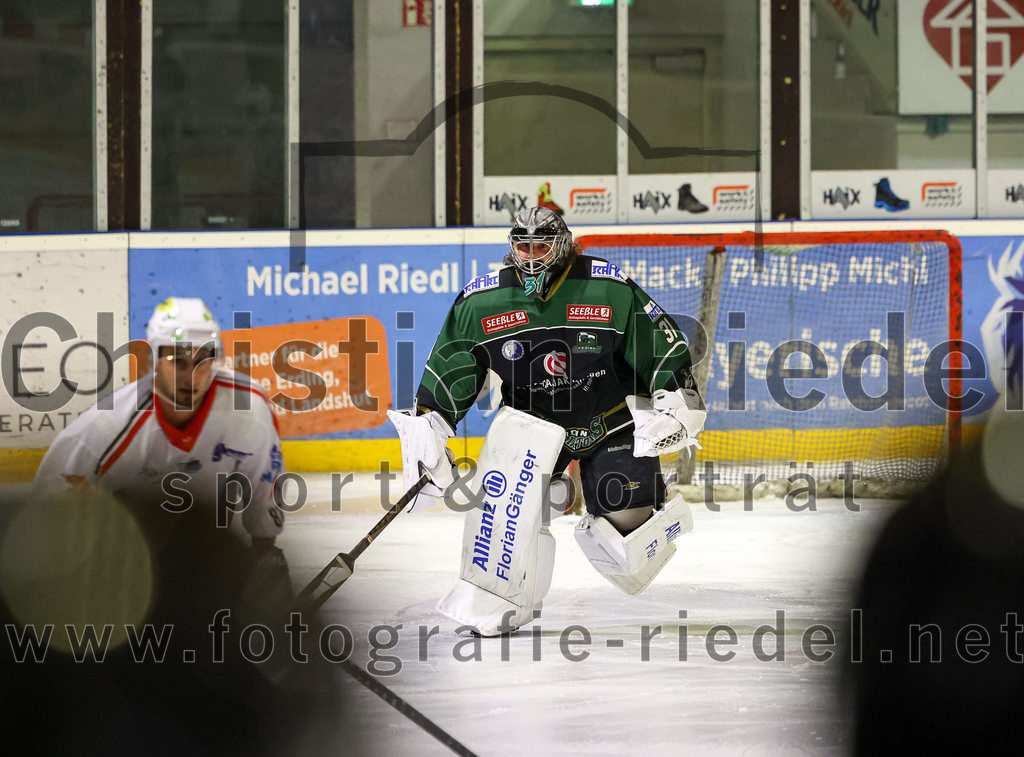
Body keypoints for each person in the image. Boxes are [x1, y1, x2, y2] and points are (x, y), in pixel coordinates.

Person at [389, 206, 706, 634]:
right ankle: (504, 598)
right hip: (533, 428)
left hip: (609, 420)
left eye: (542, 245)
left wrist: (677, 397)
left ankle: (651, 514)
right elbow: (451, 367)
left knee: (625, 553)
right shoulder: (481, 302)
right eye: (524, 246)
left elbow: (661, 343)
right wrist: (430, 424)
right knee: (509, 520)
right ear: (512, 247)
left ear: (563, 245)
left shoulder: (606, 286)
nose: (532, 255)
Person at [34, 296, 285, 546]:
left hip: (210, 550)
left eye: (202, 361)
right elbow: (50, 499)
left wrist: (264, 557)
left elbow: (264, 491)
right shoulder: (109, 425)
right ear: (155, 362)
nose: (191, 377)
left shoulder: (248, 407)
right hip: (128, 554)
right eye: (177, 361)